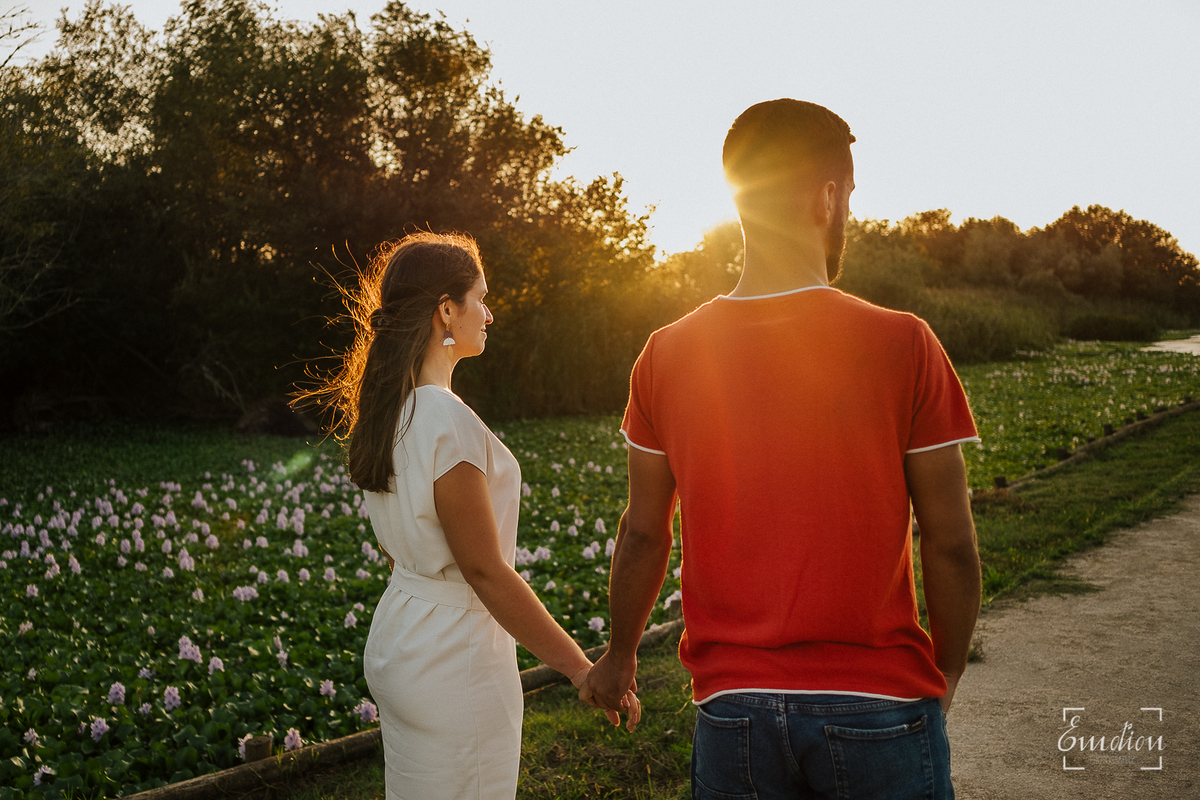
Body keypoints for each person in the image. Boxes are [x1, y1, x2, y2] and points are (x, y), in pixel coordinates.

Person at [580, 99, 982, 799]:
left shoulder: (665, 355)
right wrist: (943, 676)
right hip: (878, 702)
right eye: (848, 194)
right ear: (827, 198)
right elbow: (949, 542)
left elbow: (644, 532)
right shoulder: (905, 342)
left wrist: (619, 657)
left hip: (733, 709)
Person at [305, 231, 639, 800]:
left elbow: (397, 548)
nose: (489, 314)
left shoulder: (389, 411)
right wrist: (581, 669)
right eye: (480, 298)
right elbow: (484, 570)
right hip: (453, 658)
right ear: (446, 310)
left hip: (402, 635)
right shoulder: (444, 418)